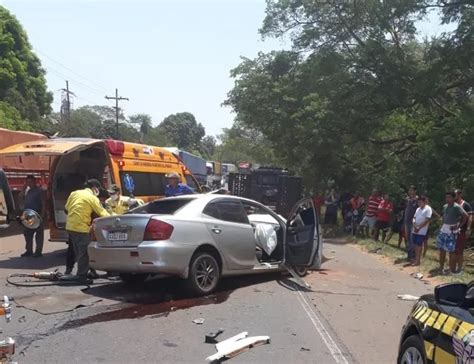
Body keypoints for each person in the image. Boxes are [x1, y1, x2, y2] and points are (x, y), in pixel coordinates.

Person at [65, 179, 110, 283]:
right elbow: (103, 213)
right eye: (98, 189)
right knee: (84, 253)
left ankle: (89, 272)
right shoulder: (92, 198)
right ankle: (81, 276)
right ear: (94, 188)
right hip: (81, 228)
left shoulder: (74, 193)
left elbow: (67, 208)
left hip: (70, 227)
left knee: (78, 251)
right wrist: (117, 217)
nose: (98, 191)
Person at [436, 191, 468, 274]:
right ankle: (441, 267)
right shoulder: (445, 206)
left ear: (454, 198)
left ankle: (451, 269)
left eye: (449, 197)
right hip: (444, 229)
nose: (447, 199)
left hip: (452, 231)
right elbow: (444, 216)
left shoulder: (457, 207)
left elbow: (465, 216)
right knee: (442, 249)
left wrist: (459, 226)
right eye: (446, 197)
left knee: (451, 251)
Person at [20, 175, 46, 258]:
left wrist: (42, 215)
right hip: (28, 215)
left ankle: (38, 252)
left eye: (30, 181)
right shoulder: (28, 191)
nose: (29, 183)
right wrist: (24, 189)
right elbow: (20, 198)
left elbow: (43, 203)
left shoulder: (39, 191)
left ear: (34, 182)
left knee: (38, 235)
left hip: (37, 215)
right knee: (27, 234)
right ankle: (29, 251)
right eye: (27, 182)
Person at [454, 189, 473, 273]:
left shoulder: (466, 205)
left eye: (455, 195)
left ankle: (460, 268)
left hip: (462, 230)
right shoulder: (453, 205)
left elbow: (470, 217)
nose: (454, 197)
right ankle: (453, 266)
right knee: (453, 249)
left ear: (460, 195)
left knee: (459, 249)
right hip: (453, 230)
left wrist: (468, 228)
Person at [411, 196, 432, 266]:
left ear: (424, 202)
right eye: (418, 202)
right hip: (415, 229)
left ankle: (418, 260)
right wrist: (414, 224)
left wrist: (419, 227)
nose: (419, 203)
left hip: (422, 231)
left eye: (420, 202)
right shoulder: (418, 209)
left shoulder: (428, 209)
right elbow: (414, 218)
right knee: (414, 245)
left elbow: (427, 219)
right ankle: (415, 259)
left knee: (418, 245)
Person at [404, 185, 418, 263]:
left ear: (415, 191)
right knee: (407, 238)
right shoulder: (408, 199)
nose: (410, 192)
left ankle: (413, 256)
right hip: (407, 221)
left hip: (414, 222)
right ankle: (409, 255)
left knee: (412, 239)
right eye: (409, 190)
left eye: (412, 190)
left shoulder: (417, 200)